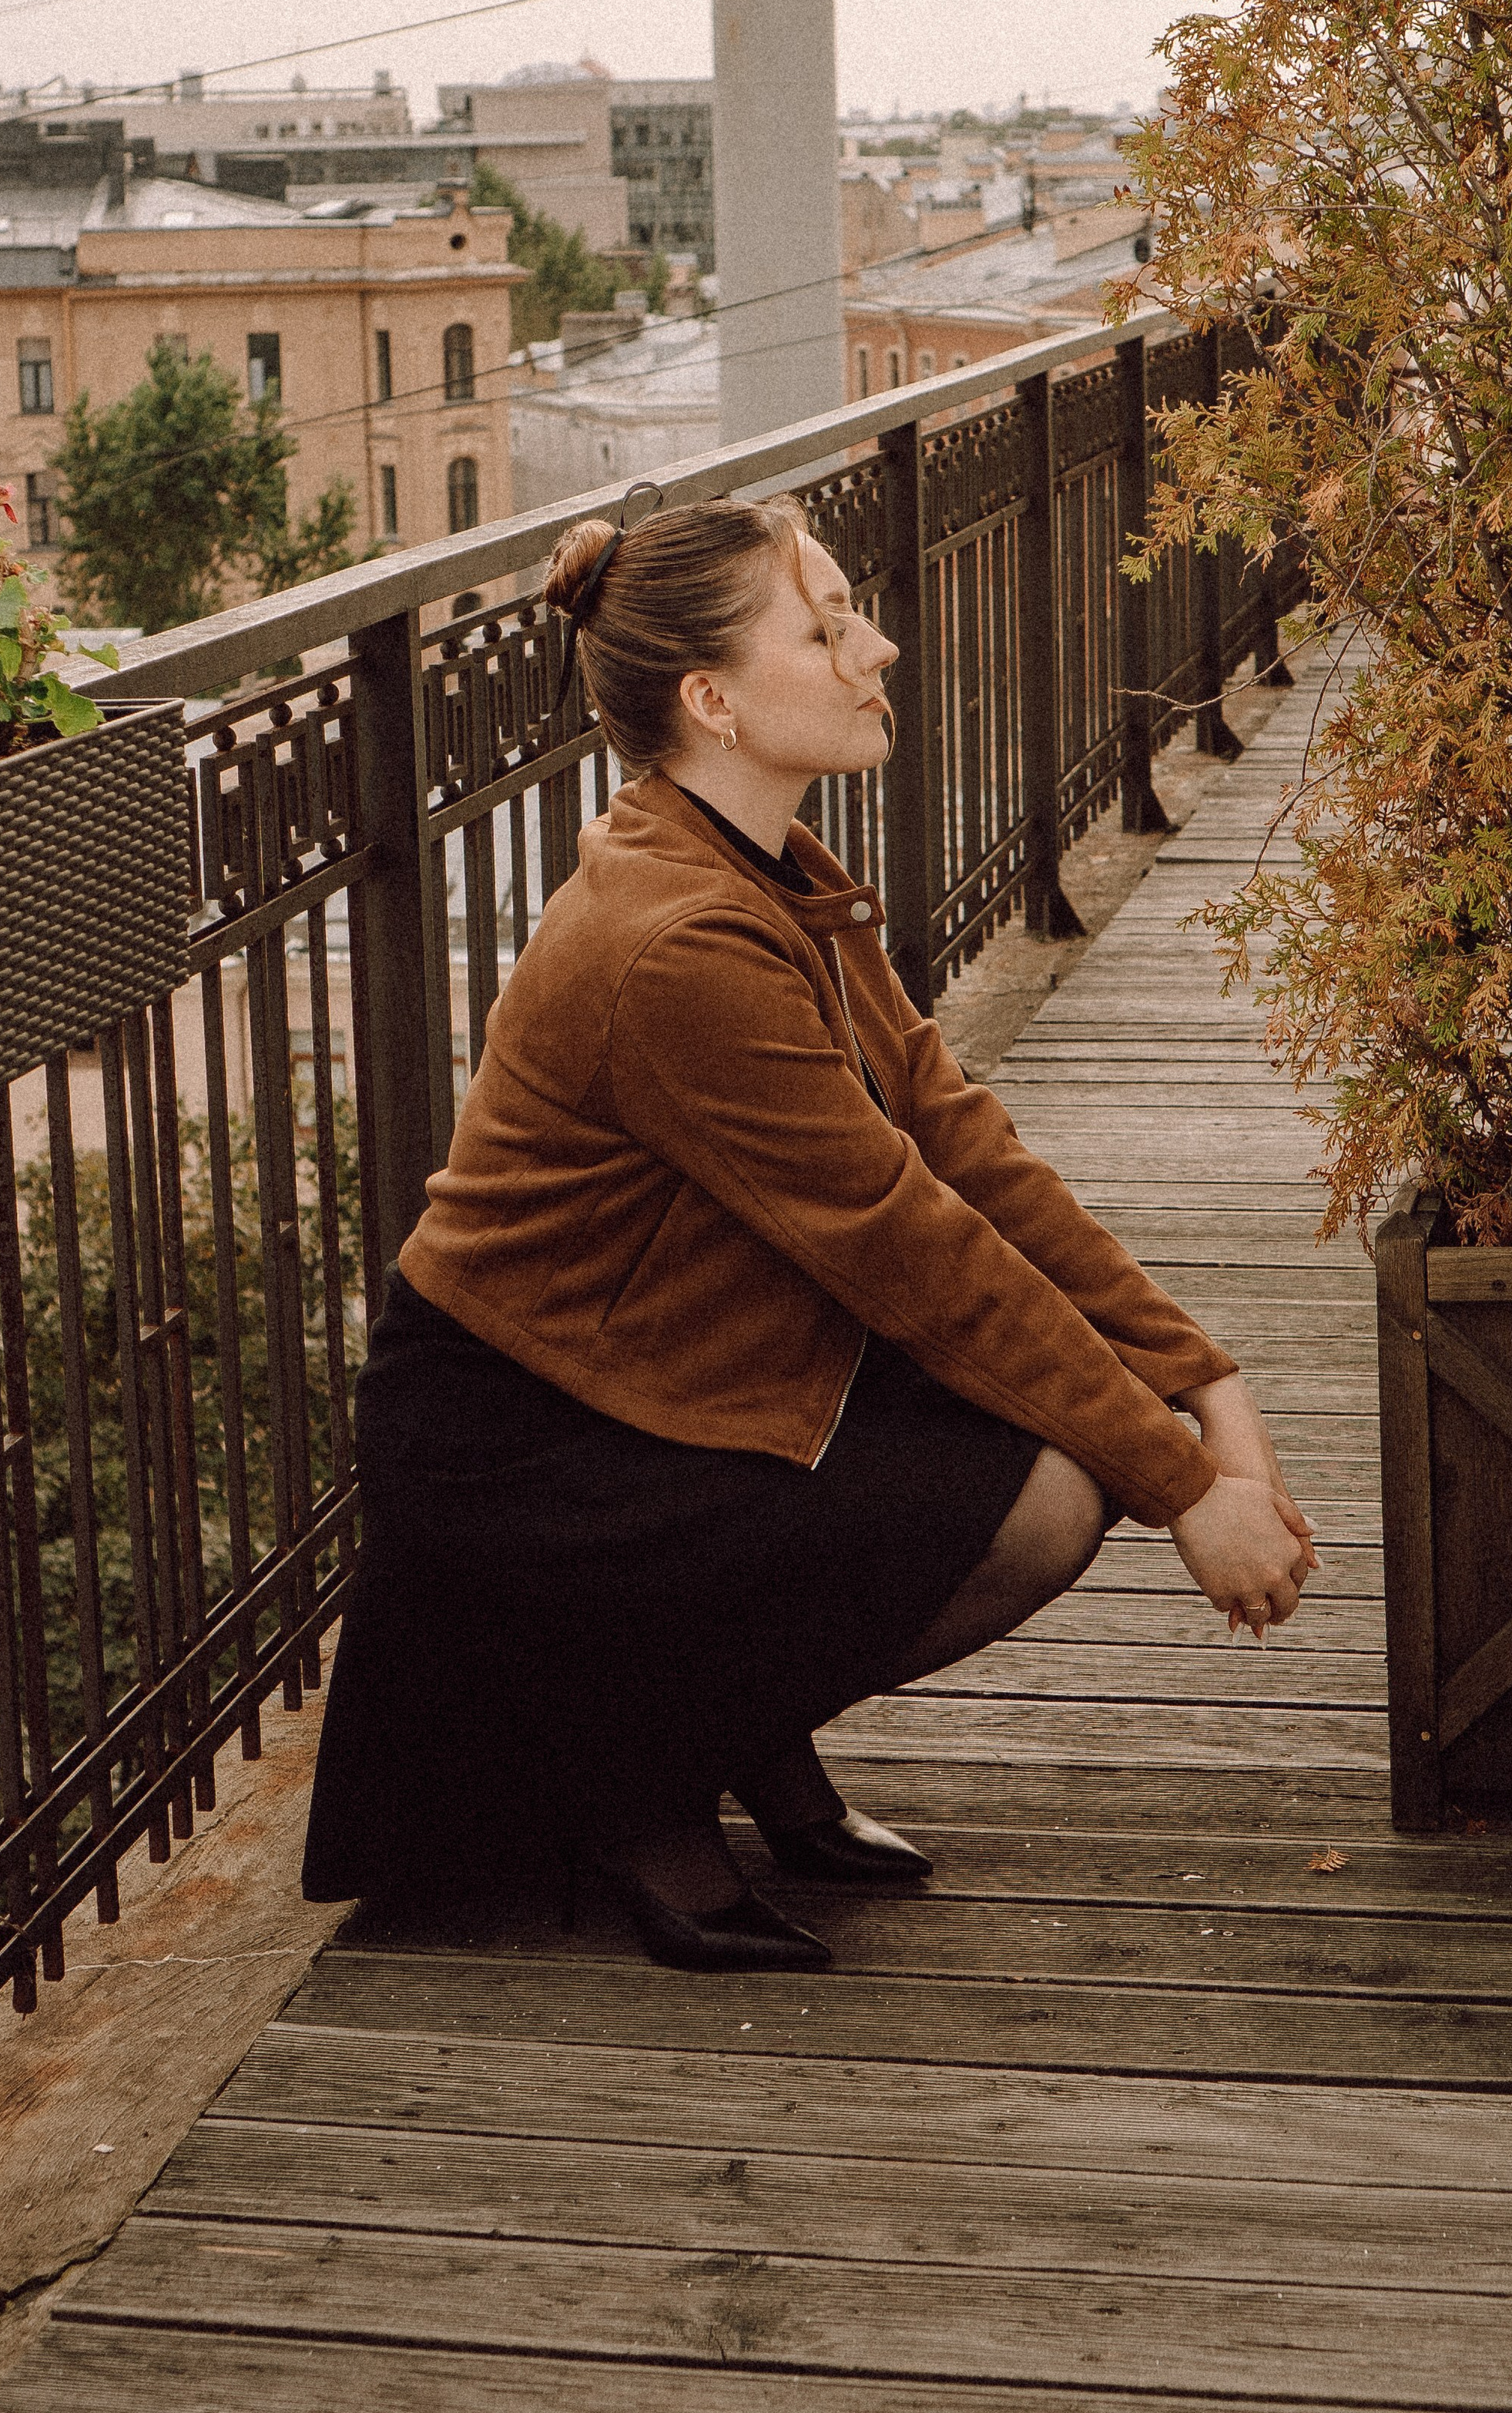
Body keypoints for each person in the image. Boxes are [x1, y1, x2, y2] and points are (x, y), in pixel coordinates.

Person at [301, 492, 1316, 1970]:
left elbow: (965, 1149)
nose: (878, 648)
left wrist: (1201, 1374)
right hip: (527, 1432)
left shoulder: (767, 870)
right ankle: (643, 1775)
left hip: (670, 1363)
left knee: (1055, 1451)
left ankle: (739, 1734)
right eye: (828, 628)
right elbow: (915, 1251)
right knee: (1048, 1497)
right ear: (712, 700)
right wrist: (1181, 1484)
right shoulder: (677, 948)